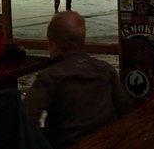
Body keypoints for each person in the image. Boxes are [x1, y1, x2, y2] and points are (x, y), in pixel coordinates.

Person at [23, 12, 131, 149]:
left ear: (52, 44)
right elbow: (124, 108)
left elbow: (27, 118)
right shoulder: (105, 70)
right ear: (82, 41)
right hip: (106, 141)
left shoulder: (49, 77)